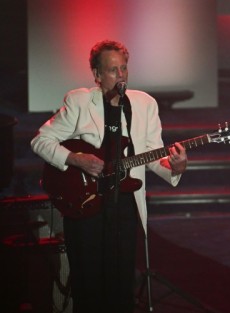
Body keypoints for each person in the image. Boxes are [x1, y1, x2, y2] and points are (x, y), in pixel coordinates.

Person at [31, 40, 188, 313]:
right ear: (97, 75)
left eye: (124, 68)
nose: (121, 75)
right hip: (85, 203)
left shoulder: (144, 104)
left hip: (124, 205)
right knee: (88, 285)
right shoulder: (80, 101)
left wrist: (175, 166)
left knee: (120, 286)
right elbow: (41, 141)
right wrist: (75, 158)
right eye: (113, 70)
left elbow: (151, 154)